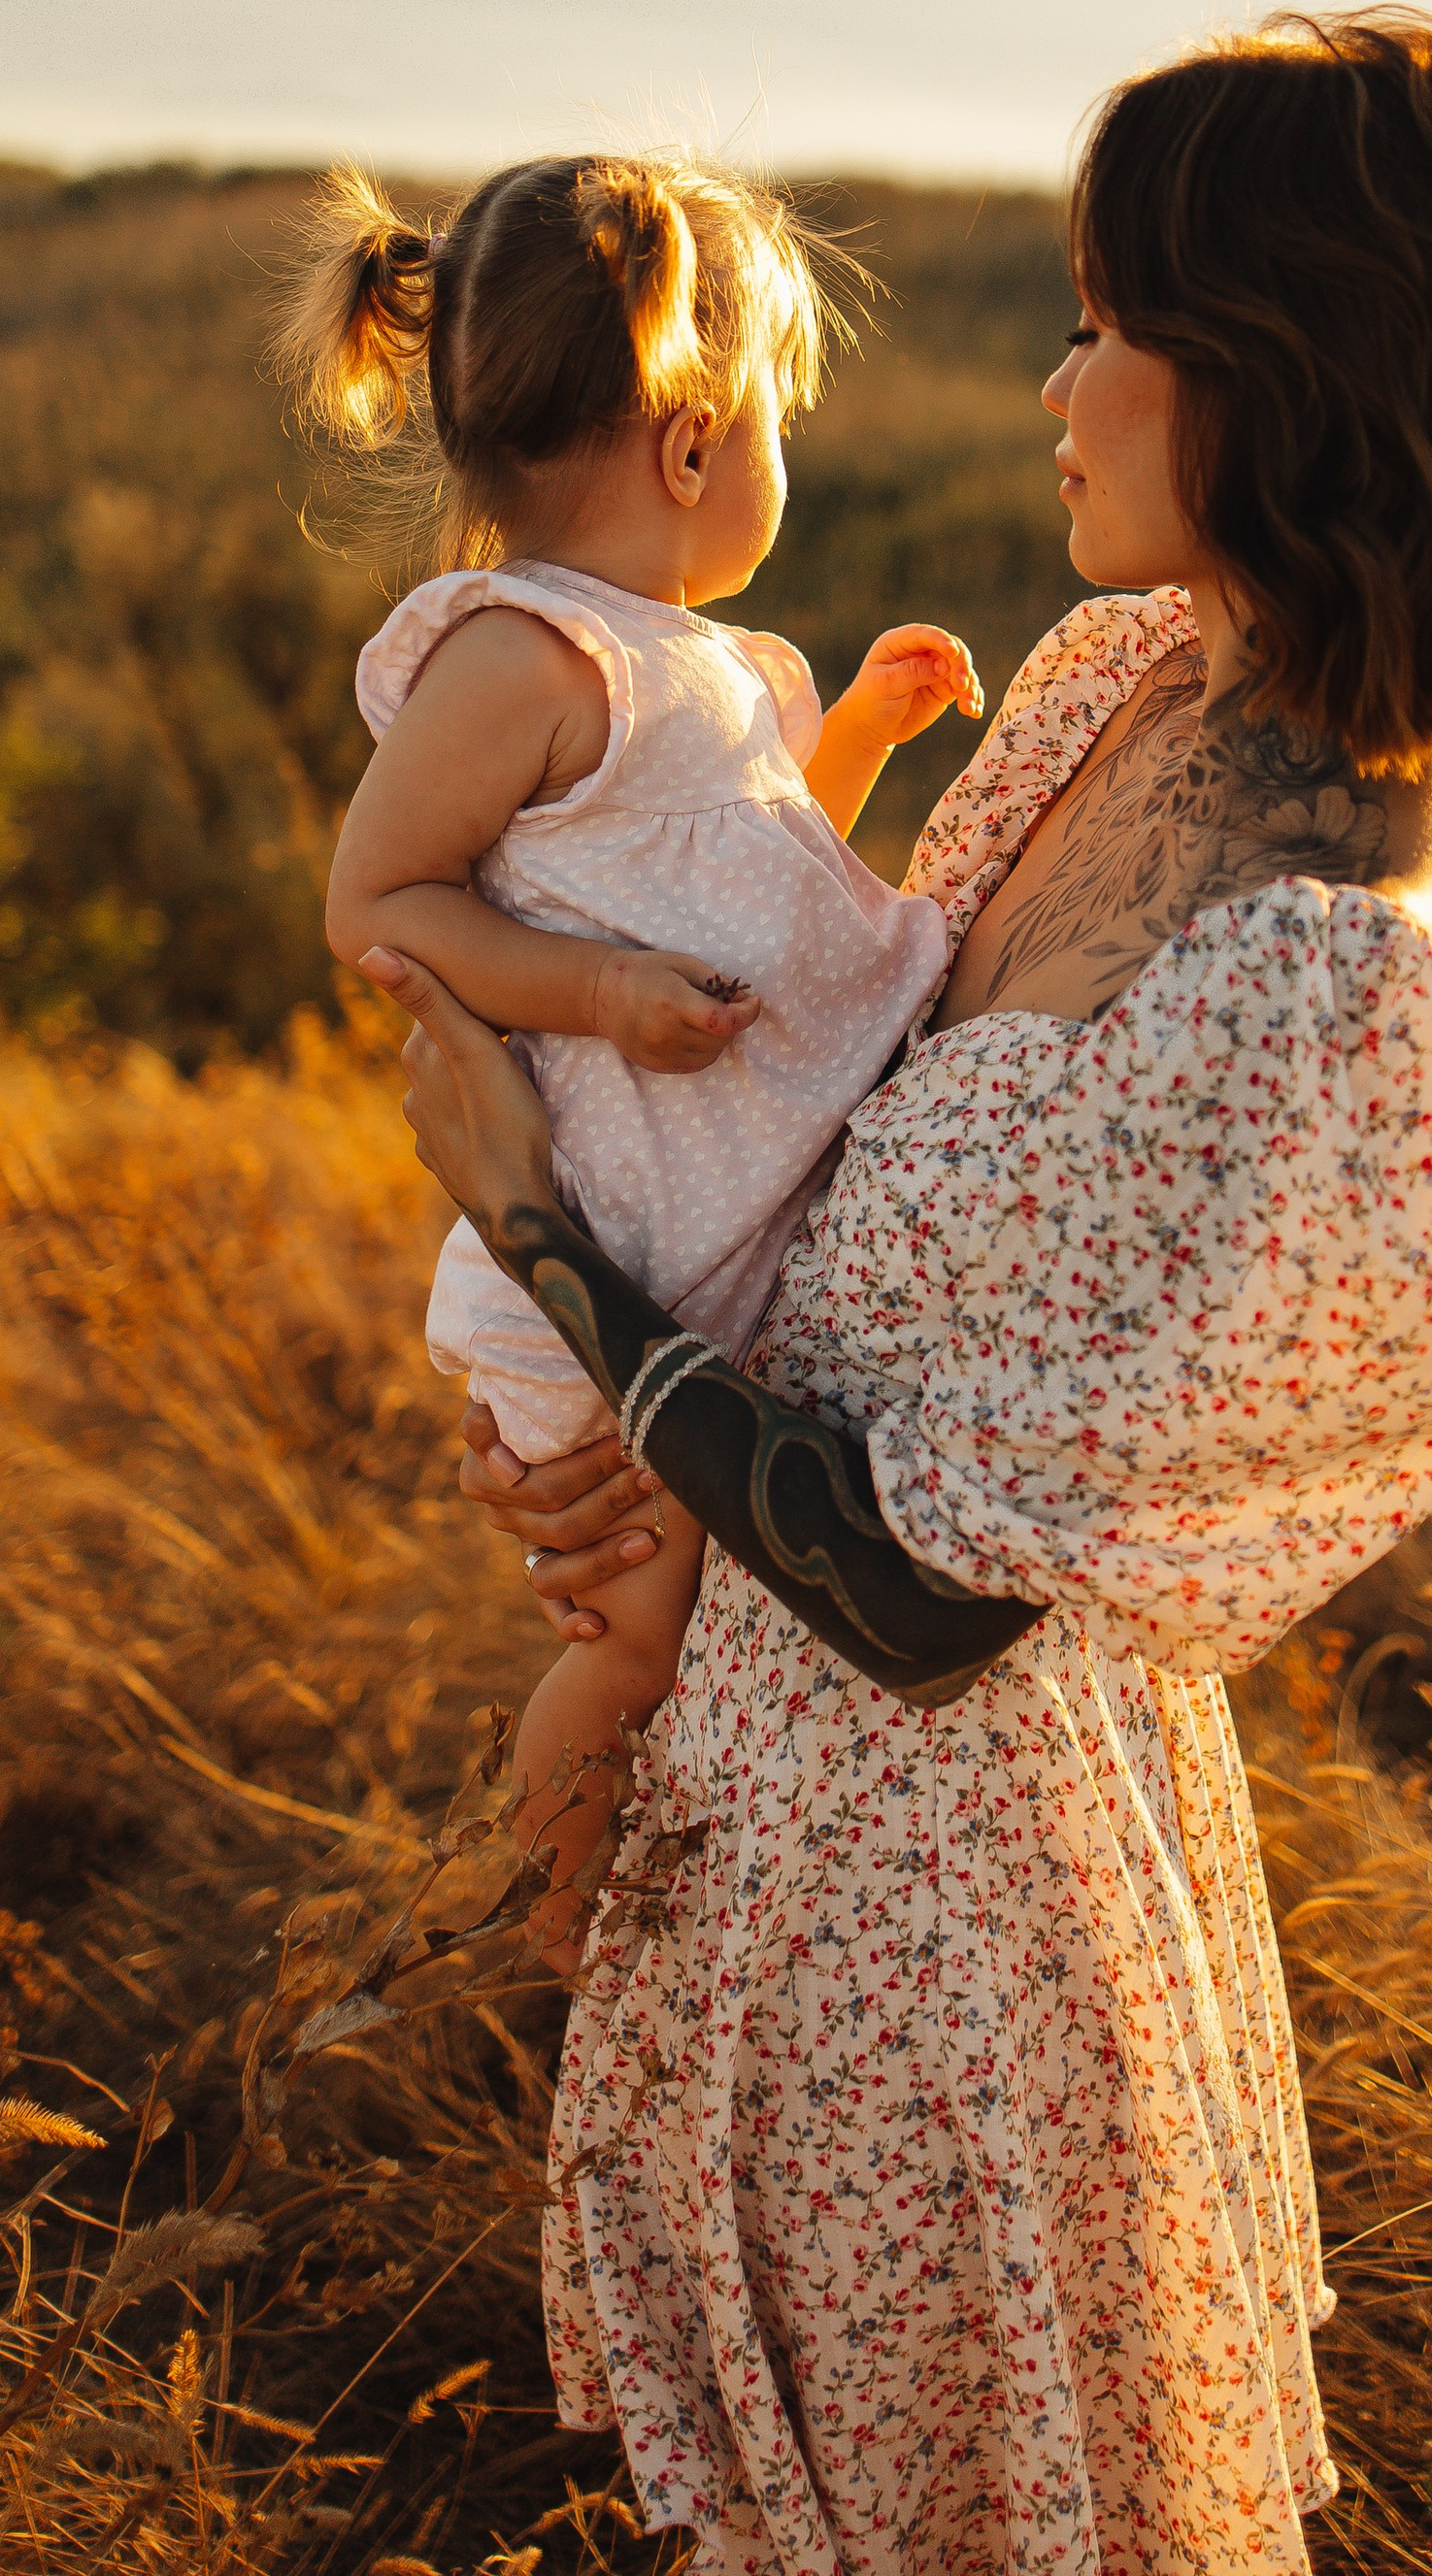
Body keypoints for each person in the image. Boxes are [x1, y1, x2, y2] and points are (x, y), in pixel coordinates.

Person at [362, 12, 1432, 2576]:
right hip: (752, 1814)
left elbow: (928, 1581)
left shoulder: (1335, 985)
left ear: (1288, 367)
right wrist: (644, 1483)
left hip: (946, 1949)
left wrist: (541, 1233)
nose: (1057, 375)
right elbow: (850, 1133)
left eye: (1113, 317)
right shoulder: (1131, 682)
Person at [286, 149, 979, 1960]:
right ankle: (545, 1914)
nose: (779, 463)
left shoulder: (725, 671)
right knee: (641, 1627)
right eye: (772, 426)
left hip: (704, 1245)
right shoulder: (522, 660)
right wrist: (588, 999)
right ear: (688, 447)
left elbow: (761, 906)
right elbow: (379, 901)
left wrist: (865, 747)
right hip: (606, 1245)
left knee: (704, 1622)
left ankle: (648, 1897)